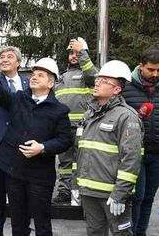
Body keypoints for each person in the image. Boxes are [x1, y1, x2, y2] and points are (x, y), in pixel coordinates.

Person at [0, 47, 73, 236]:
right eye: (34, 74)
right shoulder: (19, 99)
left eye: (40, 75)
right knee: (18, 224)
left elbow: (65, 140)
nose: (34, 77)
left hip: (40, 176)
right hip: (14, 172)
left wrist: (43, 147)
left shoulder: (59, 110)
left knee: (42, 224)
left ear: (51, 83)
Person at [75, 60, 143, 236]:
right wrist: (75, 182)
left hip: (112, 195)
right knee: (94, 233)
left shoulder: (127, 117)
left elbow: (131, 159)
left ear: (117, 89)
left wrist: (120, 193)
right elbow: (80, 150)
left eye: (104, 81)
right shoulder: (89, 114)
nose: (97, 83)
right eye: (97, 79)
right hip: (89, 192)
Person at [121, 48, 159, 236]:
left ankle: (141, 232)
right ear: (141, 66)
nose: (156, 74)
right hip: (134, 153)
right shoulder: (126, 87)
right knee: (136, 197)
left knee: (148, 198)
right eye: (151, 70)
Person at [0, 46, 30, 236]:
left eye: (9, 57)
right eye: (1, 57)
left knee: (21, 191)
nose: (4, 59)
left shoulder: (28, 83)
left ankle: (22, 229)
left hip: (23, 145)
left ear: (18, 62)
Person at [53, 37, 98, 205]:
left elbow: (93, 76)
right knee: (64, 162)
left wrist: (82, 53)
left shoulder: (89, 74)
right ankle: (64, 191)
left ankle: (78, 192)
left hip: (83, 127)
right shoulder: (62, 77)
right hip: (64, 127)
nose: (73, 56)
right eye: (71, 53)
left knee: (81, 162)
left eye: (76, 52)